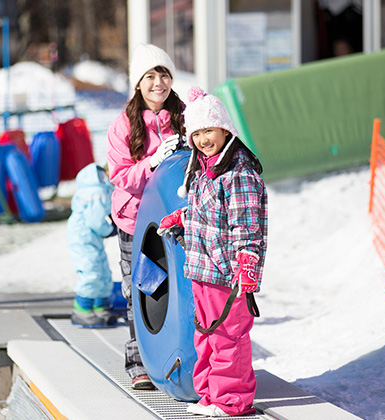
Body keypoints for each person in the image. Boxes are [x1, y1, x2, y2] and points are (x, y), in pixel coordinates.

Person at [158, 86, 268, 417]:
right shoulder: (204, 168)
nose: (204, 139)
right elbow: (207, 214)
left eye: (209, 130)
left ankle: (232, 400)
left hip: (227, 272)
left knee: (228, 336)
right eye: (197, 132)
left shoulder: (238, 172)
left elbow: (247, 224)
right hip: (202, 269)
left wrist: (247, 262)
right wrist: (183, 217)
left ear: (225, 129)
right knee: (205, 334)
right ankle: (210, 394)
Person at [106, 43, 185, 390]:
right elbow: (120, 176)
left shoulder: (184, 115)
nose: (158, 82)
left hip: (177, 220)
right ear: (138, 83)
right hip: (136, 224)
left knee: (182, 288)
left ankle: (179, 357)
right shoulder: (123, 125)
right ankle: (140, 361)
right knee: (144, 287)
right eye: (150, 76)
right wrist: (153, 162)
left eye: (164, 74)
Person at [66, 163, 117, 328]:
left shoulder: (101, 186)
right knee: (91, 270)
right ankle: (82, 309)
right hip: (83, 236)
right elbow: (95, 219)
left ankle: (99, 306)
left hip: (91, 236)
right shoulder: (97, 190)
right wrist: (109, 229)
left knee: (102, 269)